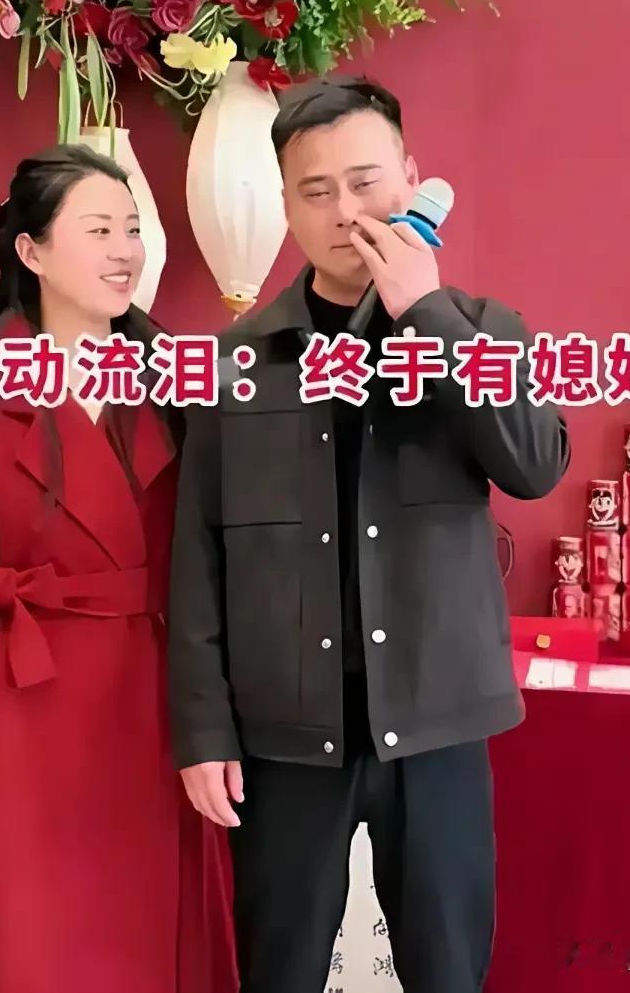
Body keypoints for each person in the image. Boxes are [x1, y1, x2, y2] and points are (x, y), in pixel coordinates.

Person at [167, 77, 570, 993]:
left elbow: (533, 464)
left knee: (447, 969)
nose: (345, 212)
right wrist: (202, 730)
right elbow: (197, 560)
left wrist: (426, 314)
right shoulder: (235, 362)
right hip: (282, 735)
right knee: (277, 969)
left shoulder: (481, 329)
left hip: (437, 724)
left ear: (412, 180)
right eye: (316, 191)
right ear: (286, 207)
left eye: (365, 182)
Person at [0, 146, 237, 993]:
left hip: (154, 702)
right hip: (26, 707)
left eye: (132, 229)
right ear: (30, 251)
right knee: (35, 946)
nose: (124, 251)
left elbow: (212, 556)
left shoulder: (173, 379)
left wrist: (217, 719)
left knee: (144, 937)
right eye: (99, 230)